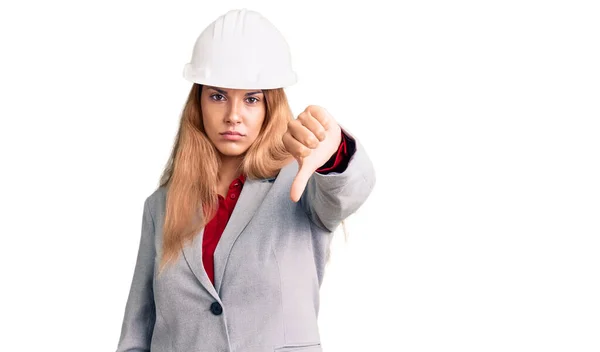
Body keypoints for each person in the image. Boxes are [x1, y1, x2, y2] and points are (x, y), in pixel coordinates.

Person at [115, 8, 375, 352]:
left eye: (252, 99)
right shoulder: (160, 206)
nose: (233, 115)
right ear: (199, 103)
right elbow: (137, 333)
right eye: (218, 96)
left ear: (270, 107)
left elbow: (349, 191)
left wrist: (335, 151)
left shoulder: (302, 186)